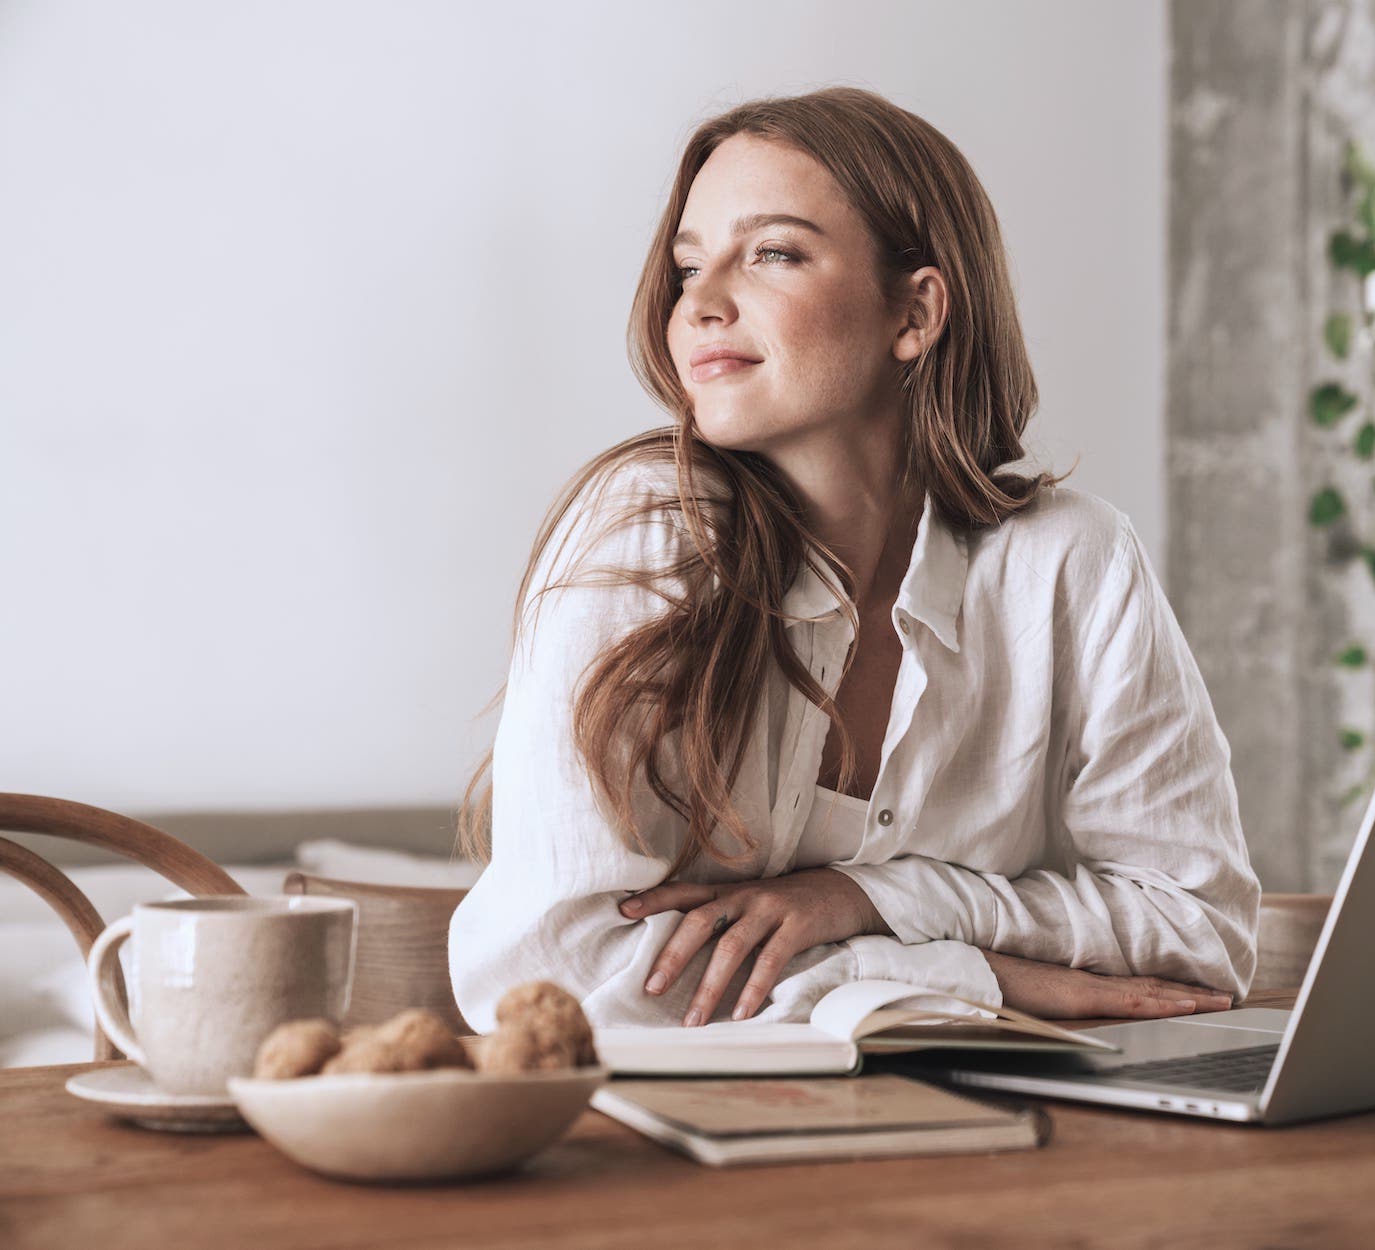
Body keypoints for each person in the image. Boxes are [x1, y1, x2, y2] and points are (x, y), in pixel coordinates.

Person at [448, 86, 1260, 1035]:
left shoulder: (1072, 561)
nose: (701, 304)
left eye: (773, 253)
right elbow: (553, 977)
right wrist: (977, 980)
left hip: (1015, 1136)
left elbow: (1200, 936)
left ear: (913, 313)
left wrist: (881, 900)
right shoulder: (645, 536)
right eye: (689, 264)